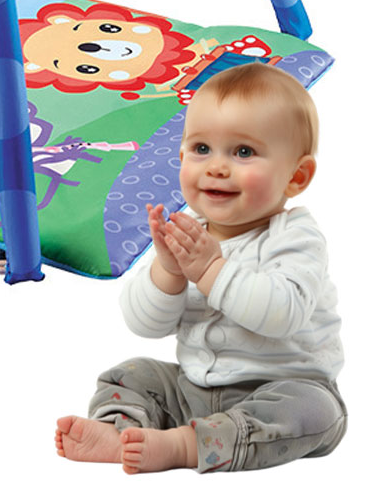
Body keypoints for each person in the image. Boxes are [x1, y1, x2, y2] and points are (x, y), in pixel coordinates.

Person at [54, 63, 345, 473]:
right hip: (192, 390)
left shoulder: (295, 236)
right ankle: (120, 430)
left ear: (296, 176)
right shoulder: (189, 233)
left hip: (279, 389)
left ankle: (187, 445)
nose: (217, 167)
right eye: (202, 149)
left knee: (316, 411)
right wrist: (169, 272)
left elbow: (283, 313)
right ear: (181, 156)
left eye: (243, 152)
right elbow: (144, 324)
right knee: (130, 375)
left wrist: (211, 269)